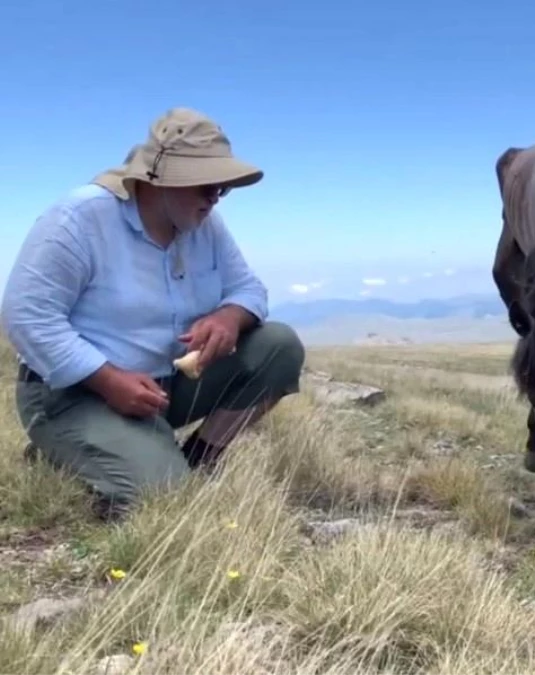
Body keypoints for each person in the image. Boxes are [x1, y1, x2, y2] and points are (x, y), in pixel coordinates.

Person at [1, 107, 306, 521]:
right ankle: (62, 451)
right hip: (73, 395)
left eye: (222, 187)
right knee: (166, 497)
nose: (215, 197)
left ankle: (200, 459)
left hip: (160, 388)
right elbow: (27, 315)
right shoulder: (80, 219)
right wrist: (107, 380)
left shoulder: (205, 225)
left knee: (279, 346)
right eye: (206, 186)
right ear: (162, 180)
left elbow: (249, 289)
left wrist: (229, 317)